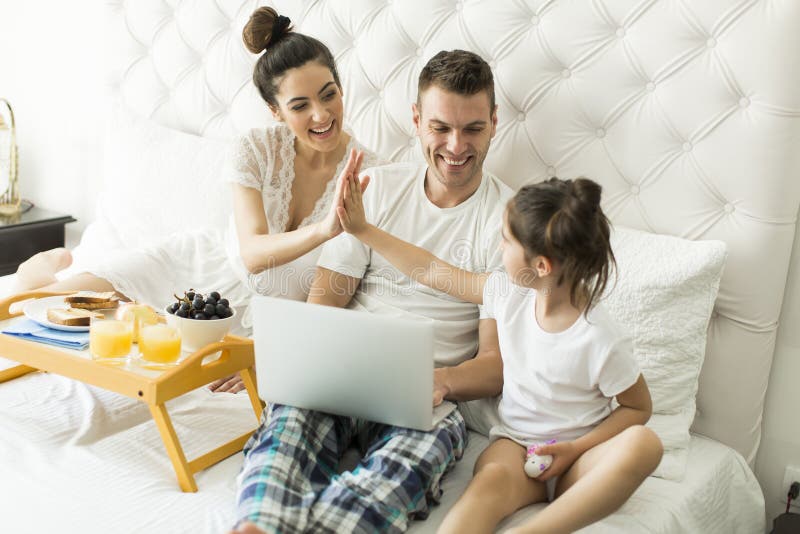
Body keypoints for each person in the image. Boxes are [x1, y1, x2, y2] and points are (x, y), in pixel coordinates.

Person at [14, 6, 382, 393]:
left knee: (118, 334)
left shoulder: (371, 176)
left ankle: (42, 280)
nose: (321, 114)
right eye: (300, 105)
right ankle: (33, 277)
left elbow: (338, 287)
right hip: (198, 268)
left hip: (262, 316)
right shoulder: (255, 149)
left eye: (328, 95)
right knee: (37, 308)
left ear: (341, 89)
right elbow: (253, 254)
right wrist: (325, 230)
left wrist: (277, 349)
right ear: (275, 112)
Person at [231, 50, 513, 534]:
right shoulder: (377, 187)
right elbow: (326, 300)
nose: (455, 146)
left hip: (429, 398)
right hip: (343, 374)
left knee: (403, 469)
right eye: (441, 128)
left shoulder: (509, 221)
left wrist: (443, 381)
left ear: (493, 123)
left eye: (472, 129)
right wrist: (299, 358)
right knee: (283, 436)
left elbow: (494, 367)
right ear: (417, 121)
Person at [336, 173, 665, 533]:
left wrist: (574, 450)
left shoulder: (601, 339)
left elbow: (638, 408)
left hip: (578, 459)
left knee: (644, 444)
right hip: (517, 450)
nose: (499, 247)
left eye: (506, 241)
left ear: (541, 266)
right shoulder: (507, 294)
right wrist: (362, 230)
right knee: (487, 484)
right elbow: (432, 270)